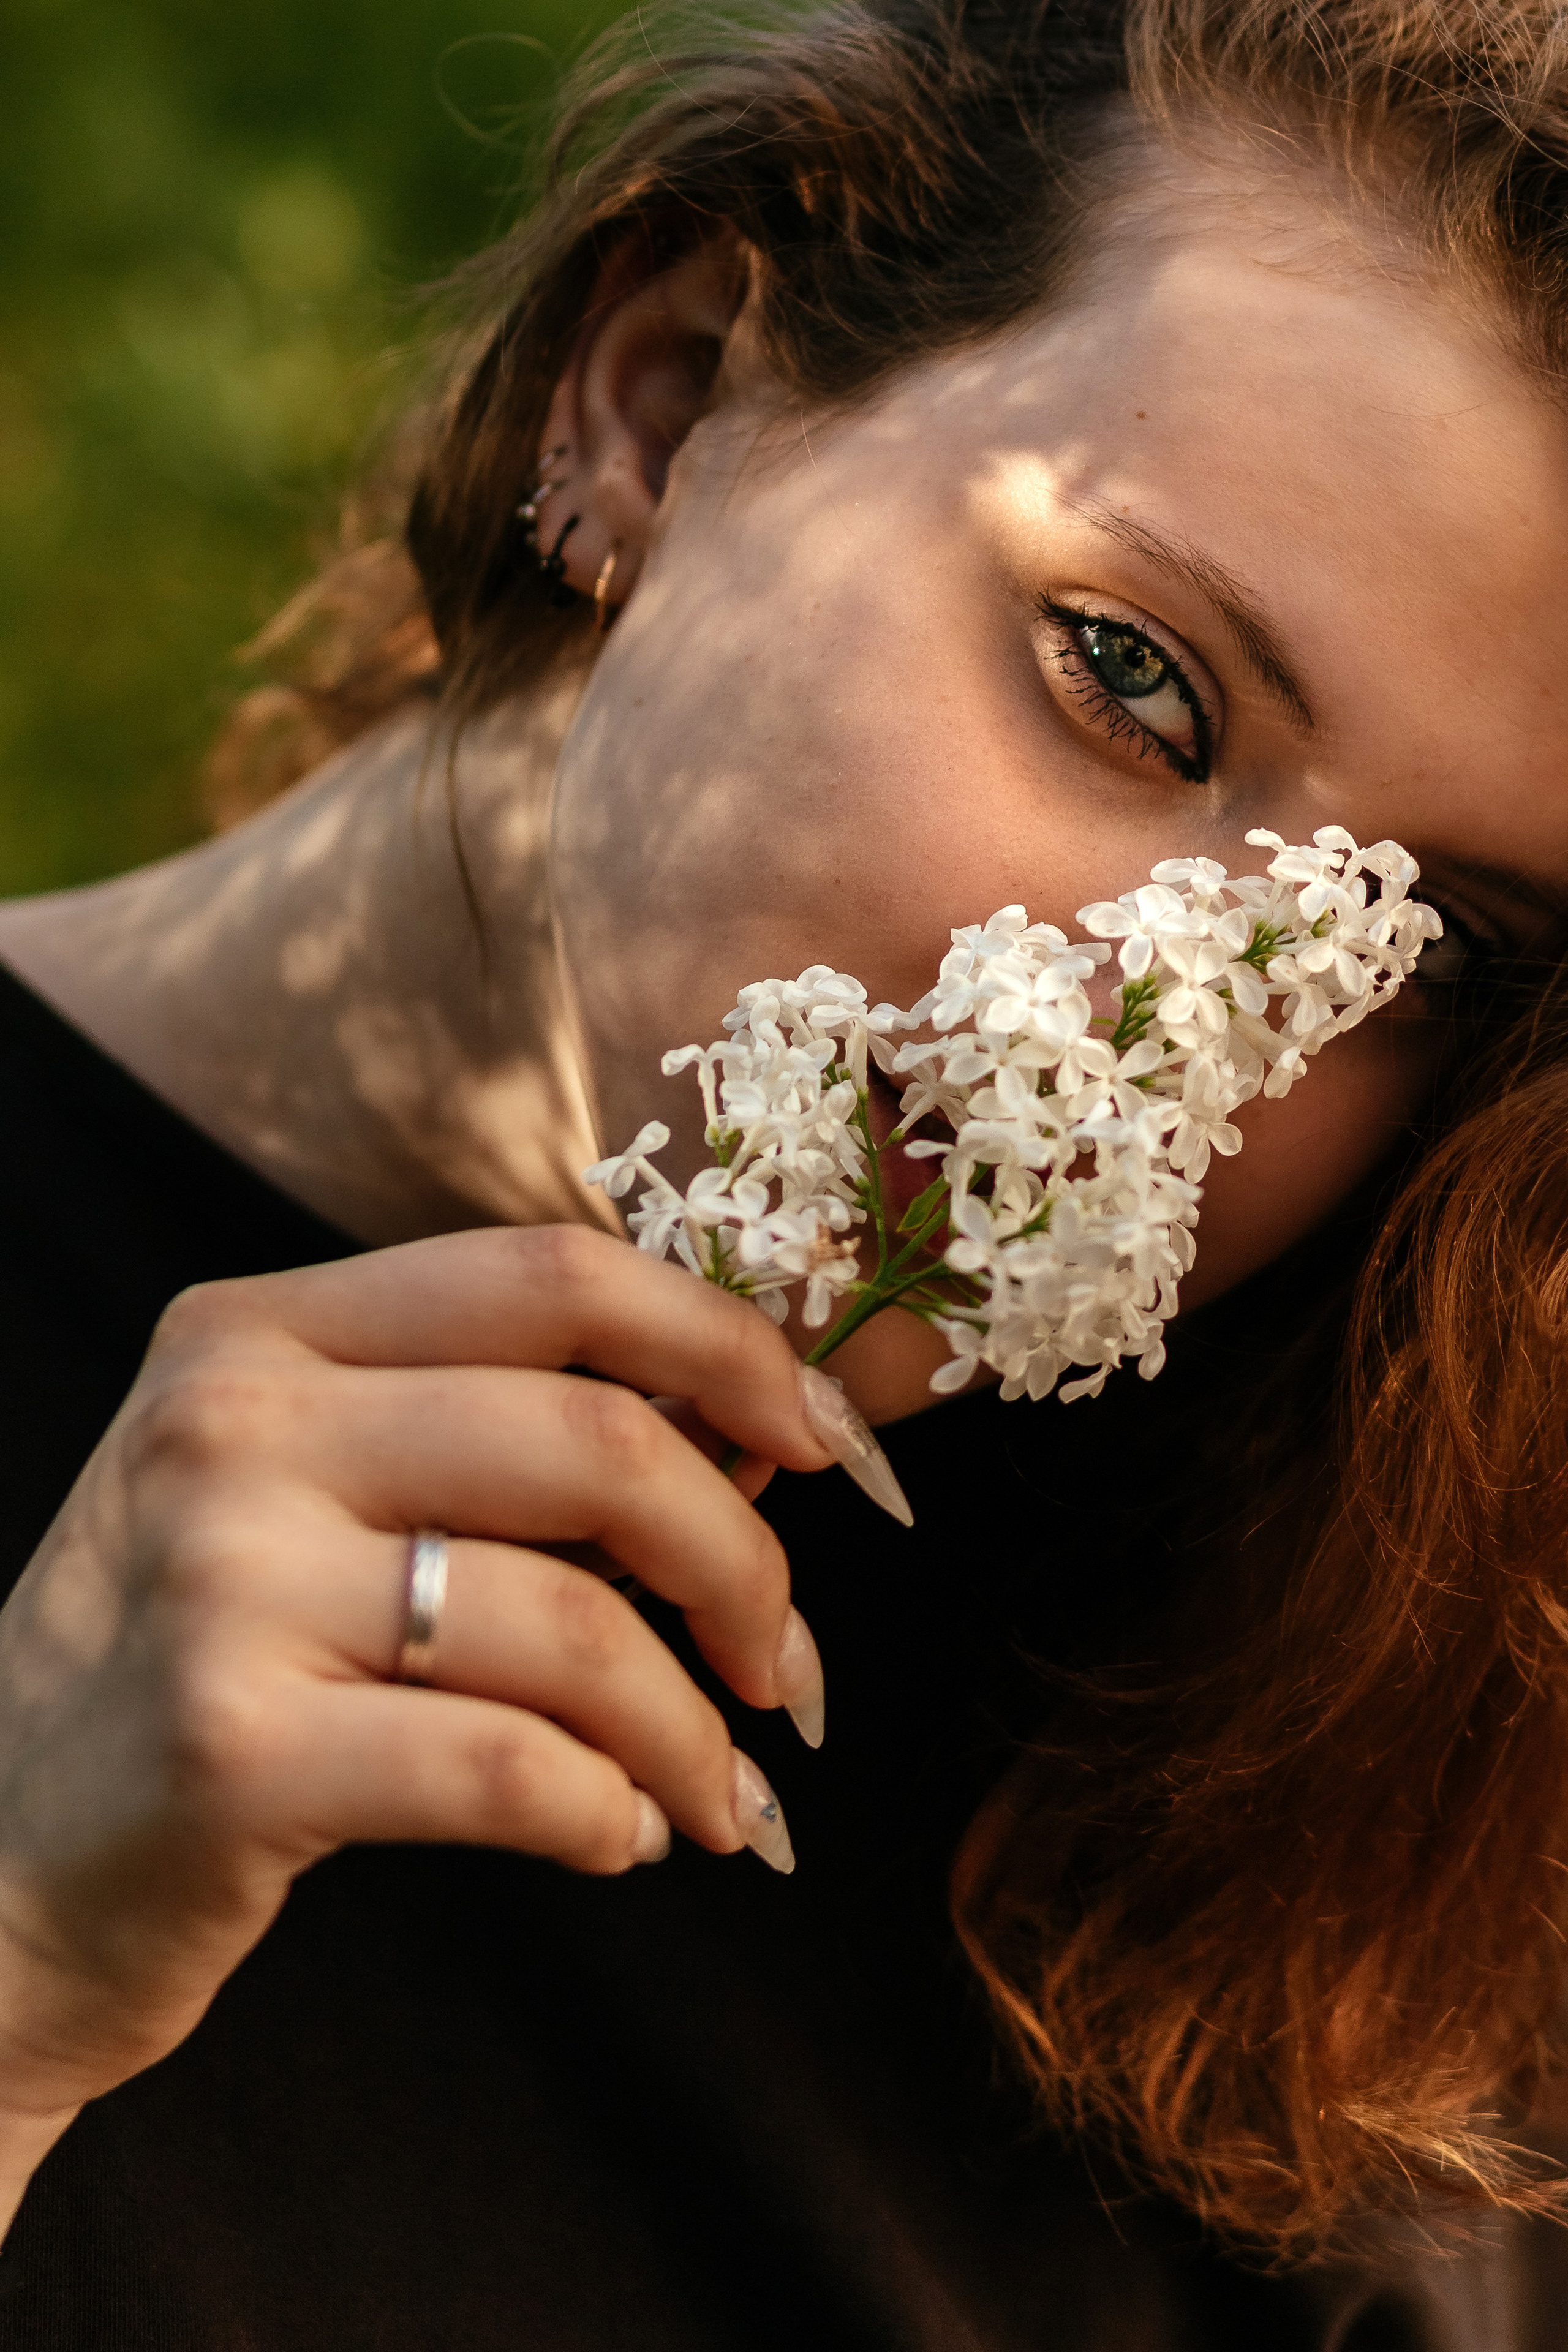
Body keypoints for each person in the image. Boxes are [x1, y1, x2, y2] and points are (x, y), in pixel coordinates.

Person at [1, 0, 1568, 2340]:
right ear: (660, 394)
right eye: (1129, 680)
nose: (1181, 1048)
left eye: (1419, 945)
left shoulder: (1306, 1786)